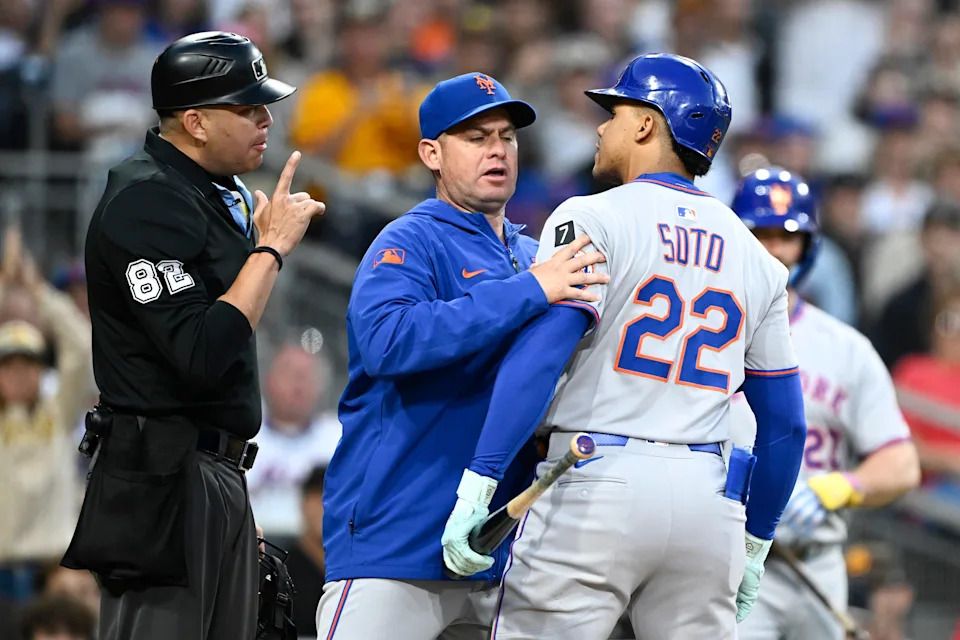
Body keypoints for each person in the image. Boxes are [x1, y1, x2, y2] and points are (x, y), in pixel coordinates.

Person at [447, 54, 808, 639]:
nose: (600, 126)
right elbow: (786, 425)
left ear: (645, 125)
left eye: (613, 112)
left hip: (595, 479)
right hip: (708, 499)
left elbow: (541, 356)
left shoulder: (595, 214)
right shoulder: (756, 255)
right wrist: (757, 539)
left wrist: (480, 480)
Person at [316, 71, 609, 639]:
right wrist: (529, 291)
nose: (497, 149)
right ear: (432, 152)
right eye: (475, 137)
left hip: (499, 554)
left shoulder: (535, 255)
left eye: (507, 136)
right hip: (396, 542)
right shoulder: (410, 239)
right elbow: (387, 341)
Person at [60, 31, 324, 640]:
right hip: (163, 486)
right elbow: (201, 353)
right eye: (248, 107)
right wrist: (270, 249)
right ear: (197, 122)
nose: (266, 118)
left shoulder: (209, 194)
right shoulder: (146, 198)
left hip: (213, 472)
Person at [728, 168, 920, 640]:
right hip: (733, 562)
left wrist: (838, 487)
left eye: (787, 236)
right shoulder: (707, 331)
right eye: (760, 233)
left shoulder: (845, 347)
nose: (774, 248)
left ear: (809, 246)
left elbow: (901, 464)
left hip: (818, 564)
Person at [246, 344, 340, 536]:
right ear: (268, 379)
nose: (299, 384)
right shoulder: (244, 434)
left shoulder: (338, 438)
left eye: (307, 375)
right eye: (290, 373)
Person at [283, 465, 327, 637]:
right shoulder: (281, 573)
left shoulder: (356, 575)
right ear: (304, 503)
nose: (325, 507)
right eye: (318, 497)